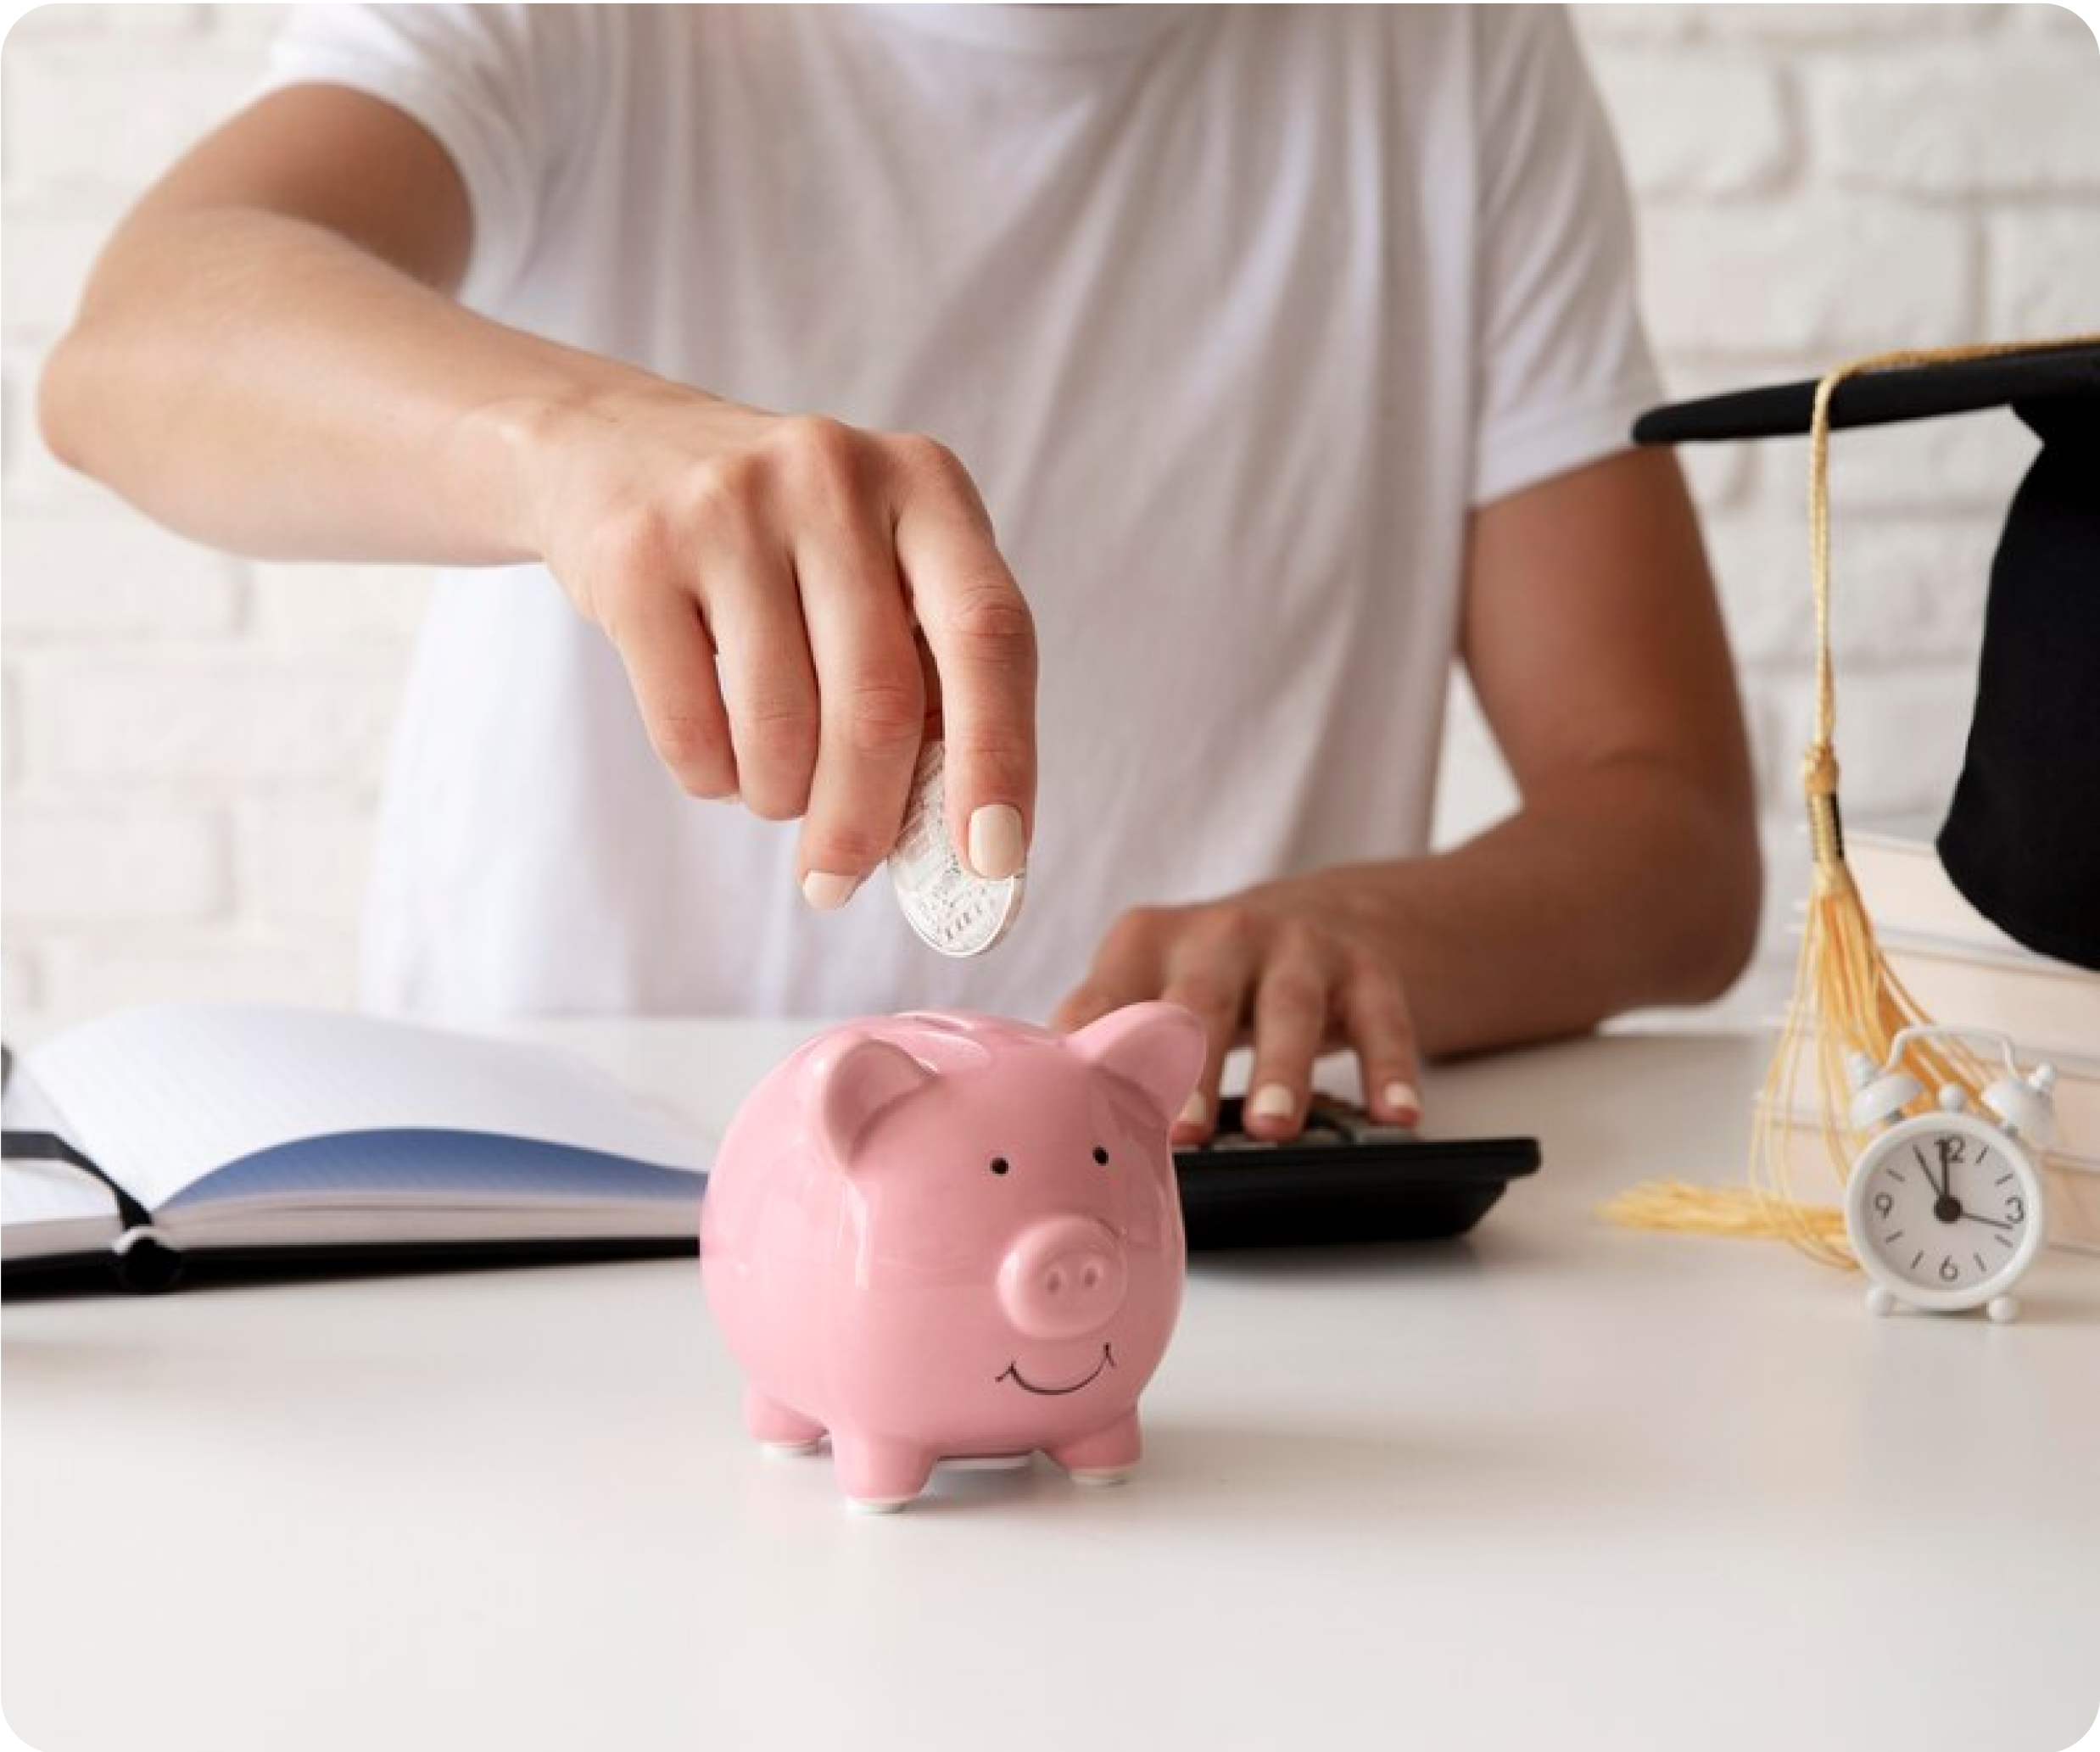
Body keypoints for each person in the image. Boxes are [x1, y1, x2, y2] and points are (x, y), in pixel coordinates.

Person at [37, 3, 1761, 1145]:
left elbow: (1667, 836)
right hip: (555, 1202)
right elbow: (134, 346)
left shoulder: (1447, 51)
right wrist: (581, 450)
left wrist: (1361, 933)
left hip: (1168, 1232)